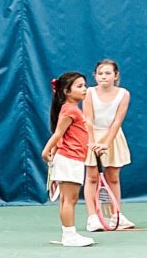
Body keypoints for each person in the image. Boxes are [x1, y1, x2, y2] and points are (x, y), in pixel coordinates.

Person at [43, 71, 95, 246]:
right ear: (66, 91)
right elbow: (58, 133)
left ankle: (69, 233)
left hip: (71, 158)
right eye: (79, 86)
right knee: (69, 200)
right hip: (69, 159)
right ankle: (69, 235)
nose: (85, 89)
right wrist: (46, 150)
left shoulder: (70, 109)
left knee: (67, 199)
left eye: (84, 85)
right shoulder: (70, 110)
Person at [85, 58, 135, 232]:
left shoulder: (124, 94)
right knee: (91, 178)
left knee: (113, 177)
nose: (103, 77)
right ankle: (93, 218)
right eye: (100, 73)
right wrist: (92, 142)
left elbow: (117, 122)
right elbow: (88, 120)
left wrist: (106, 143)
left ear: (116, 75)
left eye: (107, 73)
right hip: (92, 137)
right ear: (95, 76)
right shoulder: (89, 93)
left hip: (113, 138)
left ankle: (115, 216)